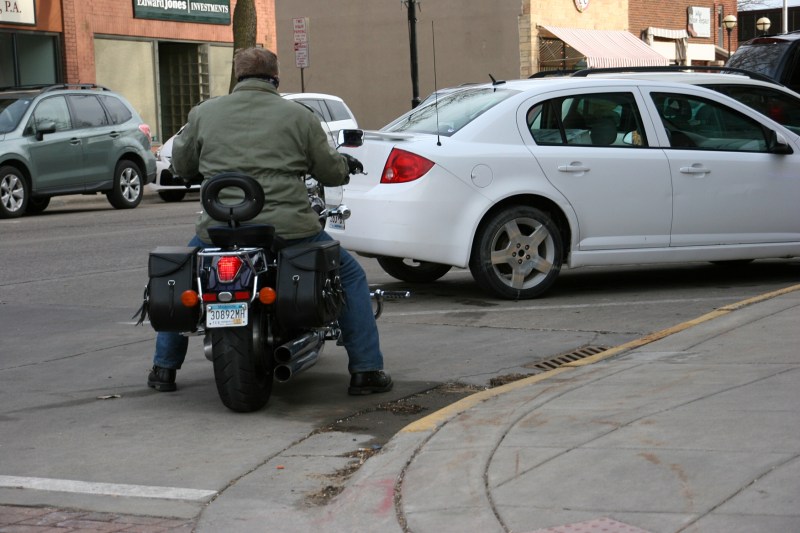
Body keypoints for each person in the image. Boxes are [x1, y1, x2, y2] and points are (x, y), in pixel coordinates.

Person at [147, 47, 392, 396]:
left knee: (182, 275)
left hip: (219, 230)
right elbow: (330, 170)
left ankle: (163, 369)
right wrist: (341, 165)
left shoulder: (204, 113)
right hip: (290, 230)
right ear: (275, 78)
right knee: (349, 274)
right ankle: (367, 370)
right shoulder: (298, 116)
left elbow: (183, 166)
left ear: (238, 76)